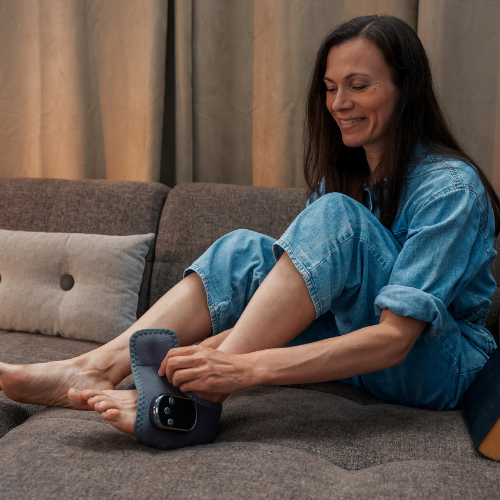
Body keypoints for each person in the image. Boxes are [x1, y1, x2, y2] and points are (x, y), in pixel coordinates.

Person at [1, 15, 499, 438]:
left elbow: (396, 339)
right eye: (330, 88)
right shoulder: (344, 178)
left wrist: (239, 369)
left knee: (337, 217)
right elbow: (277, 310)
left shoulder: (451, 188)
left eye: (359, 85)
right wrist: (187, 360)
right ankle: (98, 367)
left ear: (406, 89)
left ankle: (195, 405)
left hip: (435, 367)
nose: (338, 103)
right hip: (356, 345)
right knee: (243, 250)